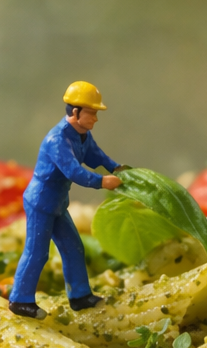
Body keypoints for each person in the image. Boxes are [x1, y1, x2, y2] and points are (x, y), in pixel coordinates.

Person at [10, 82, 124, 318]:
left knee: (73, 247)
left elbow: (95, 155)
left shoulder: (83, 135)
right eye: (92, 113)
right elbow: (73, 171)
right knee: (36, 253)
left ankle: (80, 296)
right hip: (41, 203)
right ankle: (20, 301)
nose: (95, 118)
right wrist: (103, 182)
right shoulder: (57, 140)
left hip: (58, 203)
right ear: (75, 112)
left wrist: (116, 167)